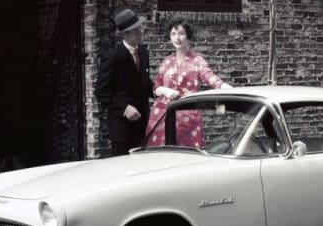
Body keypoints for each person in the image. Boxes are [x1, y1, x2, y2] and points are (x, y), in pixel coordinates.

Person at [145, 18, 231, 147]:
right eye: (173, 34)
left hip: (187, 116)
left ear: (188, 36)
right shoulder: (166, 61)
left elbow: (210, 77)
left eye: (181, 33)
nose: (177, 38)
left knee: (185, 156)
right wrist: (164, 90)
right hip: (163, 116)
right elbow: (155, 88)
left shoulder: (197, 60)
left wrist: (225, 87)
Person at [96, 8, 153, 156]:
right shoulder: (113, 57)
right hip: (122, 129)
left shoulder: (143, 52)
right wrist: (124, 109)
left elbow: (144, 83)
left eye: (140, 28)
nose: (140, 32)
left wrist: (159, 90)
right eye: (135, 30)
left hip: (143, 123)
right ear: (125, 33)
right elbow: (102, 93)